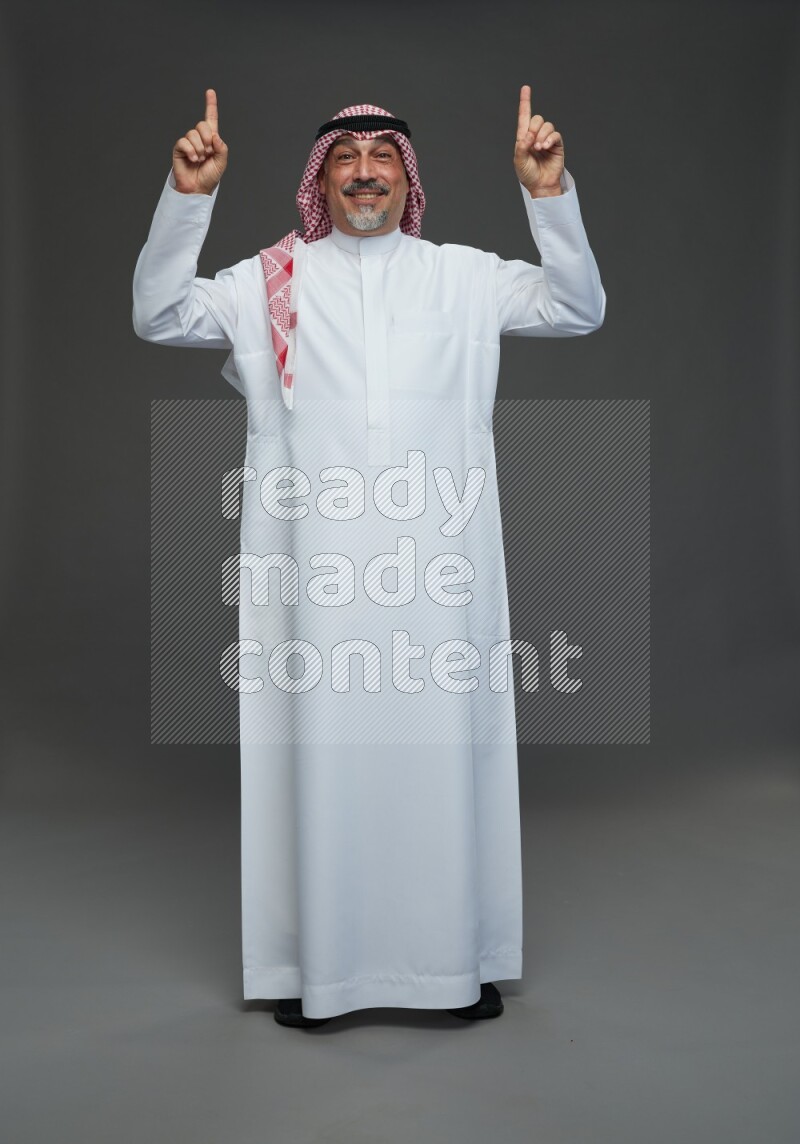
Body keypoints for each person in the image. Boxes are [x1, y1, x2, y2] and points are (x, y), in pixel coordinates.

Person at [132, 87, 605, 1029]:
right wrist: (188, 197)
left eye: (381, 155)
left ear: (407, 176)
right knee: (321, 757)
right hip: (313, 576)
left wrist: (547, 194)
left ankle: (455, 967)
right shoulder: (270, 280)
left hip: (440, 570)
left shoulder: (463, 277)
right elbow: (159, 314)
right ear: (320, 180)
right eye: (344, 158)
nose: (363, 172)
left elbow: (578, 307)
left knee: (445, 757)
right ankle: (321, 973)